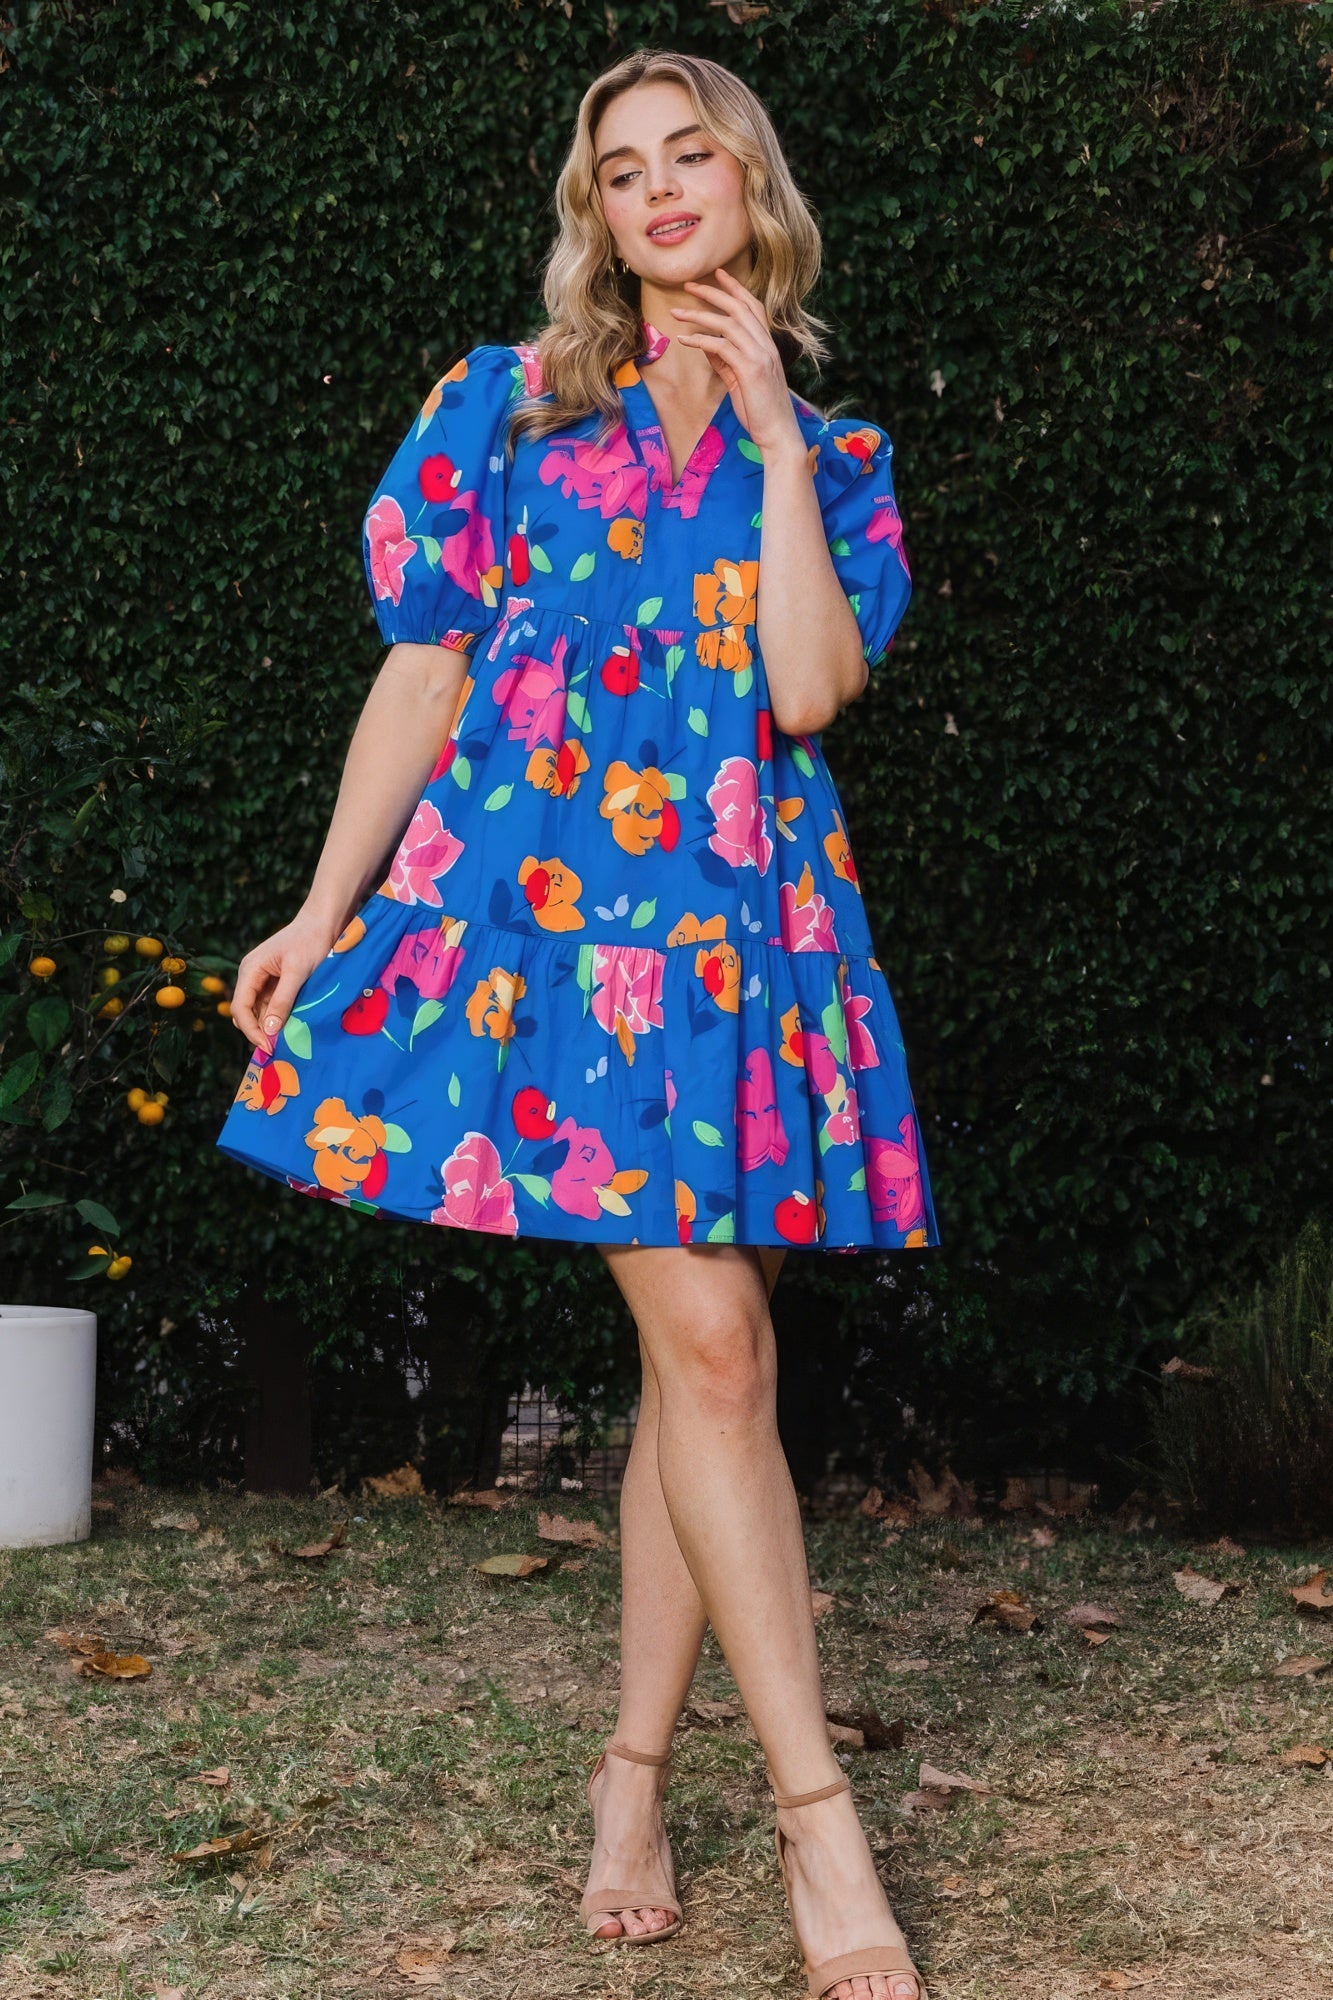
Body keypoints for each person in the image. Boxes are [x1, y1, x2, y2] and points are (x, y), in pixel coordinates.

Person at [216, 44, 936, 2000]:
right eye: (622, 170)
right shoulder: (509, 403)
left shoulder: (834, 458)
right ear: (596, 217)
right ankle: (819, 1826)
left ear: (749, 183)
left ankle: (630, 1780)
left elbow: (805, 690)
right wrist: (322, 908)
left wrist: (773, 439)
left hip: (741, 941)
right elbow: (423, 669)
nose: (659, 188)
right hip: (545, 930)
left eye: (690, 153)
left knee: (701, 1371)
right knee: (711, 1342)